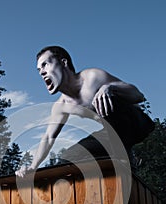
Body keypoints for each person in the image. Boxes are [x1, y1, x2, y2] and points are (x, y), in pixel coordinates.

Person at [16, 46, 153, 177]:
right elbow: (48, 138)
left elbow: (138, 95)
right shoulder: (61, 106)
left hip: (136, 124)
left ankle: (125, 155)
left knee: (108, 100)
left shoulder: (93, 77)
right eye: (39, 69)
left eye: (45, 64)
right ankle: (123, 159)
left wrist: (109, 87)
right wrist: (33, 166)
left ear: (64, 62)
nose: (41, 72)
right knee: (69, 158)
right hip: (110, 135)